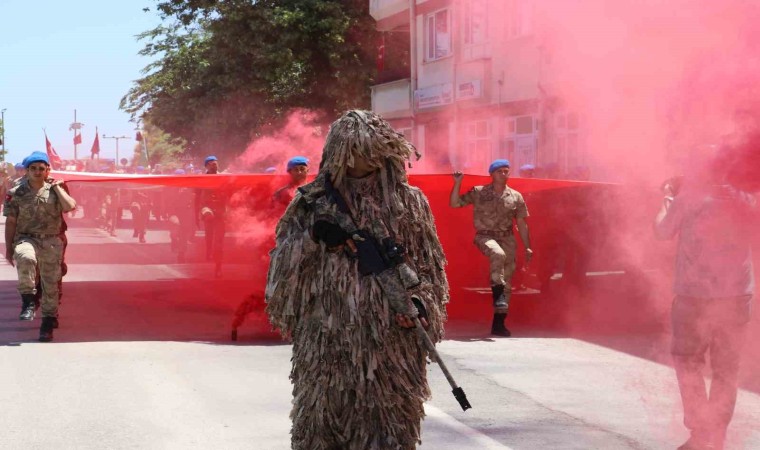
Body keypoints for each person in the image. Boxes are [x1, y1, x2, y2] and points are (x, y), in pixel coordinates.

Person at [265, 110, 449, 449]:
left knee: (388, 422)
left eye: (369, 150)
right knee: (325, 421)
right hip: (327, 336)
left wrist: (421, 304)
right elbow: (280, 268)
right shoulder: (312, 203)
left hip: (390, 340)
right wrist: (314, 238)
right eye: (353, 150)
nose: (362, 159)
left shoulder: (408, 202)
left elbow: (429, 265)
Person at [654, 155, 755, 450]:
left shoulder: (689, 198)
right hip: (737, 295)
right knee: (727, 369)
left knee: (688, 361)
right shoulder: (748, 199)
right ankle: (716, 437)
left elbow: (661, 231)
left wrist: (668, 198)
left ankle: (701, 433)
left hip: (694, 296)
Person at [450, 159, 532, 336]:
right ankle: (498, 294)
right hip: (485, 236)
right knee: (497, 254)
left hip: (508, 238)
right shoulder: (480, 192)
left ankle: (499, 323)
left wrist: (527, 247)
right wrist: (458, 184)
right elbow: (455, 203)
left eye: (506, 171)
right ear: (492, 174)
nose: (504, 174)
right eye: (500, 171)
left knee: (507, 282)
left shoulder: (516, 196)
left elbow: (522, 223)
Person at [3, 151, 76, 342]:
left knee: (50, 283)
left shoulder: (57, 188)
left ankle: (47, 321)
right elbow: (11, 221)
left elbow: (69, 207)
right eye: (33, 168)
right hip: (26, 238)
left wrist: (58, 188)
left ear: (47, 170)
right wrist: (9, 248)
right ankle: (28, 300)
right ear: (26, 171)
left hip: (52, 241)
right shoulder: (16, 192)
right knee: (25, 257)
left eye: (41, 168)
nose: (37, 171)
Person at [195, 155, 226, 277]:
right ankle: (208, 251)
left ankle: (218, 266)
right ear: (207, 166)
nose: (215, 165)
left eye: (216, 163)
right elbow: (196, 198)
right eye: (212, 164)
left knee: (219, 241)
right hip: (206, 208)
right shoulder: (201, 179)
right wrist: (195, 215)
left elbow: (230, 194)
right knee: (209, 230)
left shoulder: (223, 177)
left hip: (220, 211)